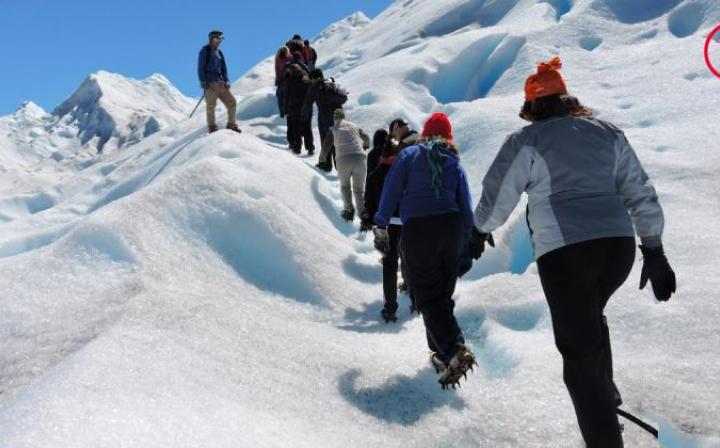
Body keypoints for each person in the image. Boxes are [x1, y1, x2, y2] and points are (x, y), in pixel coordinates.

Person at [471, 57, 676, 447]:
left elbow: (499, 194)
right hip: (617, 250)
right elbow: (639, 190)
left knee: (578, 357)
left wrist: (480, 229)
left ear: (533, 107)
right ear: (567, 98)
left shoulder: (526, 140)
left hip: (566, 255)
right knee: (590, 320)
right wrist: (654, 248)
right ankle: (605, 394)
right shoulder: (606, 132)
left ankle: (601, 427)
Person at [374, 112, 476, 389]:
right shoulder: (453, 160)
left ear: (425, 134)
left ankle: (455, 350)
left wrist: (381, 222)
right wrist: (469, 236)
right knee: (441, 294)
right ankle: (443, 355)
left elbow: (392, 188)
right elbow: (464, 200)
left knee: (428, 294)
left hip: (419, 228)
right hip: (452, 228)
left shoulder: (410, 155)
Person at [363, 129, 412, 322]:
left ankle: (390, 308)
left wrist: (369, 218)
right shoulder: (408, 173)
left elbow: (369, 202)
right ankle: (415, 299)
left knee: (390, 265)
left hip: (385, 225)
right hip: (408, 223)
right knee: (409, 260)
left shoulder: (376, 175)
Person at [321, 109, 370, 221]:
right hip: (360, 158)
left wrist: (322, 159)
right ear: (344, 116)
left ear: (335, 118)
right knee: (359, 189)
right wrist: (365, 146)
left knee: (345, 186)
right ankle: (363, 213)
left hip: (343, 159)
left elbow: (325, 146)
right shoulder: (354, 126)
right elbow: (366, 137)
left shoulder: (333, 129)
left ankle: (348, 211)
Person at [302, 69, 346, 172]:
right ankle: (340, 167)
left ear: (313, 78)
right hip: (338, 115)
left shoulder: (315, 85)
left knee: (326, 140)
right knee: (337, 141)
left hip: (325, 116)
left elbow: (308, 102)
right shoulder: (330, 82)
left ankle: (326, 165)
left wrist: (303, 117)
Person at [197, 30, 241, 134]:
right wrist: (203, 81)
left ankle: (231, 124)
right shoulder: (205, 51)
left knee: (232, 102)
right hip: (210, 83)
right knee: (211, 106)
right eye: (217, 38)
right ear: (211, 39)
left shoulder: (219, 52)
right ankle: (212, 127)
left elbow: (223, 69)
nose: (219, 41)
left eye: (221, 39)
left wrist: (227, 80)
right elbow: (200, 67)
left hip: (221, 83)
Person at [283, 64, 314, 155]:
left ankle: (297, 148)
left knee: (295, 128)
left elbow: (286, 96)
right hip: (306, 107)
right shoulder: (306, 78)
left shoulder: (290, 80)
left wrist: (285, 110)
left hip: (294, 108)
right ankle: (310, 148)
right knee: (307, 127)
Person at [274, 46, 292, 117]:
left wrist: (277, 79)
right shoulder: (291, 57)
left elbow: (277, 70)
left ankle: (282, 111)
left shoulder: (278, 59)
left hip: (282, 79)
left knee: (280, 96)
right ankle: (287, 110)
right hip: (289, 78)